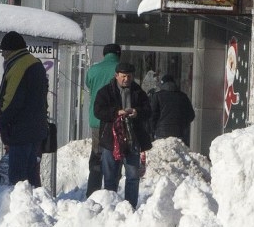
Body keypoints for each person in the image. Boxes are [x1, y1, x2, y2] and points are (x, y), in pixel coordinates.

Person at [93, 62, 153, 208]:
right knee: (110, 177)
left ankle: (130, 207)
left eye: (129, 76)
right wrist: (116, 113)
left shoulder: (139, 92)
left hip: (132, 139)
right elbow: (98, 111)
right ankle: (110, 207)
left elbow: (148, 111)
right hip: (111, 140)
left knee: (133, 176)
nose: (126, 79)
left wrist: (137, 112)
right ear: (116, 76)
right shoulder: (105, 92)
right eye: (123, 76)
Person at [0, 30, 49, 187]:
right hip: (36, 127)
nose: (2, 54)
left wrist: (4, 121)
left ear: (11, 50)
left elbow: (11, 99)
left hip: (21, 129)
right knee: (32, 174)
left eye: (4, 50)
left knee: (18, 178)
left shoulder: (19, 66)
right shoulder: (34, 63)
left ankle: (22, 201)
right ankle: (35, 201)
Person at [84, 43, 122, 197]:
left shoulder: (93, 70)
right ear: (118, 54)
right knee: (115, 155)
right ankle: (110, 193)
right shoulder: (121, 69)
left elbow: (89, 85)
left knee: (97, 155)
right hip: (116, 121)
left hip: (96, 120)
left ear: (104, 54)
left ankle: (92, 192)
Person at [149, 73, 196, 146]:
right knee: (177, 152)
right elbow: (191, 115)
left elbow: (152, 115)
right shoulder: (183, 96)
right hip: (179, 132)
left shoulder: (157, 96)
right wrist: (182, 125)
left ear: (162, 84)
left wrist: (153, 129)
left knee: (162, 152)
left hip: (161, 132)